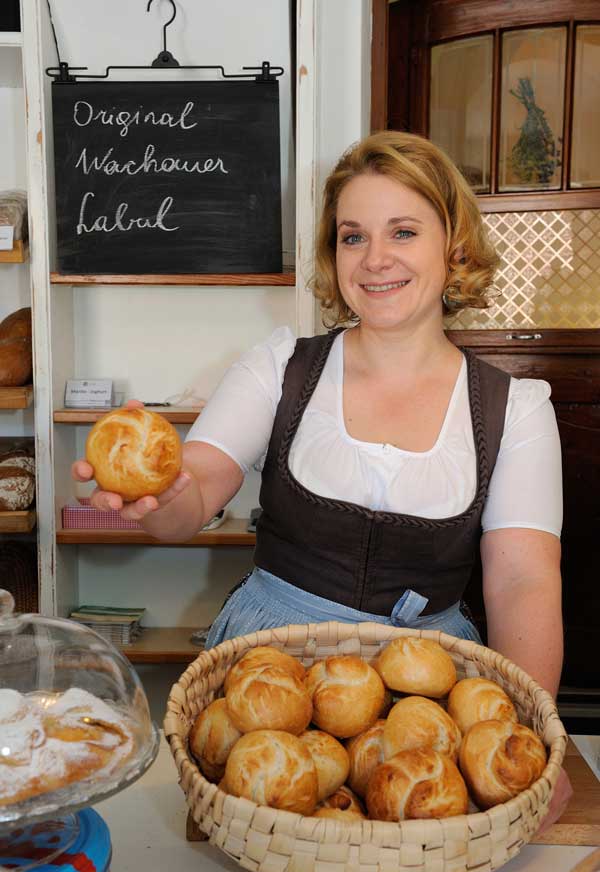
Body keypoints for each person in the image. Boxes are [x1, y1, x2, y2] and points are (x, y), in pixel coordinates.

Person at [73, 130, 570, 823]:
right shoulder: (280, 368)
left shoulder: (514, 410)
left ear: (453, 246)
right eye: (352, 237)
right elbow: (197, 488)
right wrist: (149, 501)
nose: (376, 260)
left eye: (403, 231)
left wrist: (537, 737)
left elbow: (523, 582)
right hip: (266, 684)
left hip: (424, 706)